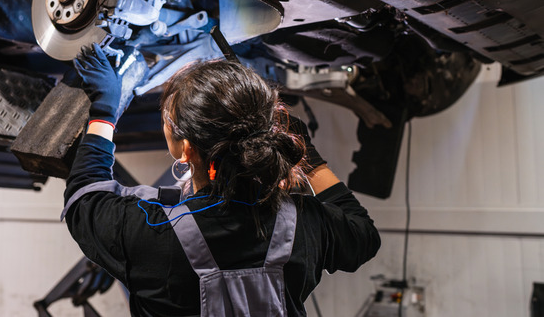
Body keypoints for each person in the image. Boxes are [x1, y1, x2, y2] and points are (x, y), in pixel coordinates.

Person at [64, 43, 381, 316]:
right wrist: (309, 158)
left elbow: (84, 197)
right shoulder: (306, 223)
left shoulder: (151, 233)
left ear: (185, 149)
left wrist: (104, 111)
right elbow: (363, 235)